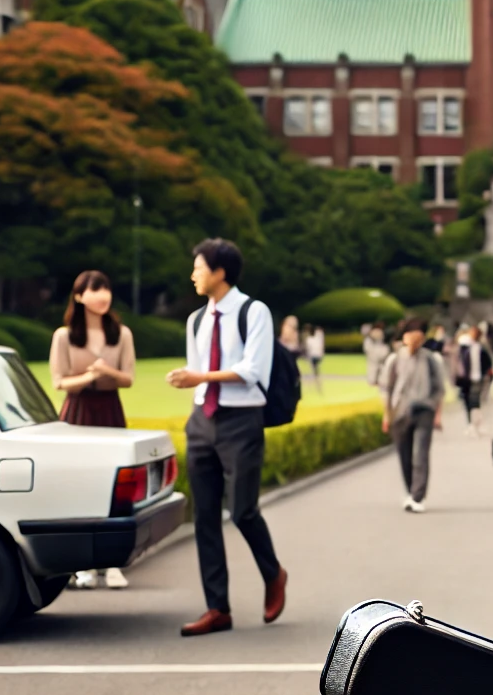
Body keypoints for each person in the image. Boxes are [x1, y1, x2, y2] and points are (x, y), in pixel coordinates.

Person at [166, 238, 287, 637]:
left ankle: (273, 574)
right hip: (202, 420)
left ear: (220, 272)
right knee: (204, 517)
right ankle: (217, 608)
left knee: (242, 510)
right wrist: (192, 381)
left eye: (198, 267)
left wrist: (197, 377)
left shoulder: (255, 312)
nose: (193, 275)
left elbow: (253, 369)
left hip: (241, 421)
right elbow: (198, 370)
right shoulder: (197, 320)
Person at [50, 269, 137, 591]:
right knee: (77, 485)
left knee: (114, 487)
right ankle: (82, 565)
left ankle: (112, 564)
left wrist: (106, 371)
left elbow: (128, 378)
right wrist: (89, 377)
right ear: (78, 296)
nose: (102, 296)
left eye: (106, 289)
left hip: (110, 410)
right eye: (95, 290)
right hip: (78, 412)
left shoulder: (121, 333)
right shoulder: (64, 336)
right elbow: (59, 381)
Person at [377, 317, 447, 513]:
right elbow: (386, 389)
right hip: (400, 412)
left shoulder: (431, 359)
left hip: (424, 411)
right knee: (404, 455)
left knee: (420, 455)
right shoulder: (394, 359)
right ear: (404, 337)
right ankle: (410, 491)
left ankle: (418, 496)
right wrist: (387, 414)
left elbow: (439, 388)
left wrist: (436, 412)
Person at [452, 325, 493, 435]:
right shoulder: (464, 347)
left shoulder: (481, 347)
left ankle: (476, 423)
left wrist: (486, 373)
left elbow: (488, 361)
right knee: (467, 401)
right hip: (465, 379)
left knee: (475, 401)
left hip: (478, 377)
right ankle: (471, 423)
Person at [363, 321, 391, 385]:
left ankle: (374, 380)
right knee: (377, 367)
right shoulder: (377, 332)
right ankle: (375, 380)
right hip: (377, 352)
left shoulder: (374, 332)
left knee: (375, 367)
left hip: (376, 352)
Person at [303, 324, 326, 388]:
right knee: (315, 370)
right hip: (316, 355)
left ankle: (315, 382)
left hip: (314, 356)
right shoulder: (313, 339)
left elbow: (308, 349)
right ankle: (316, 382)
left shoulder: (310, 339)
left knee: (314, 370)